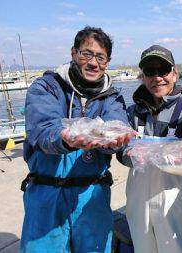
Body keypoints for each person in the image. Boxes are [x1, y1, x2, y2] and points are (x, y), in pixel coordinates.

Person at [21, 26, 133, 252]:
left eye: (100, 57)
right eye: (86, 54)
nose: (93, 63)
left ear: (107, 62)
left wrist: (116, 144)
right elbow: (42, 129)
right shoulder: (46, 87)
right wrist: (64, 138)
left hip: (92, 197)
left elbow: (118, 127)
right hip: (46, 194)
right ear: (74, 53)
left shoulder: (112, 97)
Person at [118, 45, 182, 253]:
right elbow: (121, 152)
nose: (157, 78)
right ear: (143, 77)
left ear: (174, 75)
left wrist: (180, 157)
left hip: (174, 202)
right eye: (150, 72)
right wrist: (128, 155)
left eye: (163, 71)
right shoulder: (132, 113)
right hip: (139, 203)